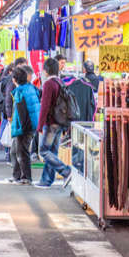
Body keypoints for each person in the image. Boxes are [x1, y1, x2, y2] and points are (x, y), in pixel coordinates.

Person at [35, 57, 73, 189]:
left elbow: (44, 106)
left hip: (51, 123)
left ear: (46, 70)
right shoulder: (60, 82)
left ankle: (66, 171)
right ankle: (46, 180)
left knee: (44, 151)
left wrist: (39, 125)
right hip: (60, 122)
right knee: (52, 152)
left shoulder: (48, 84)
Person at [8, 67, 40, 185]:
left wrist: (22, 129)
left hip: (24, 127)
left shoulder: (20, 92)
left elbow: (22, 112)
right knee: (16, 150)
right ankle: (17, 176)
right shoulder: (30, 88)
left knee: (22, 152)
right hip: (30, 124)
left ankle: (26, 178)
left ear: (14, 79)